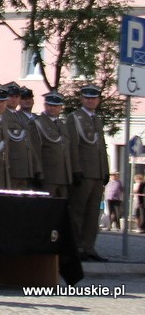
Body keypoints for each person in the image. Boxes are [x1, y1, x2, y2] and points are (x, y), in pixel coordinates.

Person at [65, 84, 109, 262]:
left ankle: (89, 247)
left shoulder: (96, 119)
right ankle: (76, 246)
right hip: (83, 172)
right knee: (77, 211)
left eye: (94, 98)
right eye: (87, 97)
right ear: (82, 99)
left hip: (97, 173)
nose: (91, 101)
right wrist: (75, 169)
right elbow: (73, 146)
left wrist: (105, 170)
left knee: (93, 213)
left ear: (98, 100)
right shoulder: (74, 118)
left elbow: (101, 148)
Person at [29, 91, 74, 198]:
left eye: (55, 106)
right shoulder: (37, 123)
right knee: (47, 207)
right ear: (45, 105)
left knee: (61, 208)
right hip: (47, 174)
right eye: (50, 105)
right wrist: (38, 171)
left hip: (63, 175)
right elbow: (35, 149)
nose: (52, 108)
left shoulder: (61, 124)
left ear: (60, 107)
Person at [4, 81, 42, 189]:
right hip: (12, 168)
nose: (14, 99)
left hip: (25, 168)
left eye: (17, 96)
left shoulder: (19, 116)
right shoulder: (3, 116)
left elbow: (29, 144)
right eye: (11, 96)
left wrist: (36, 167)